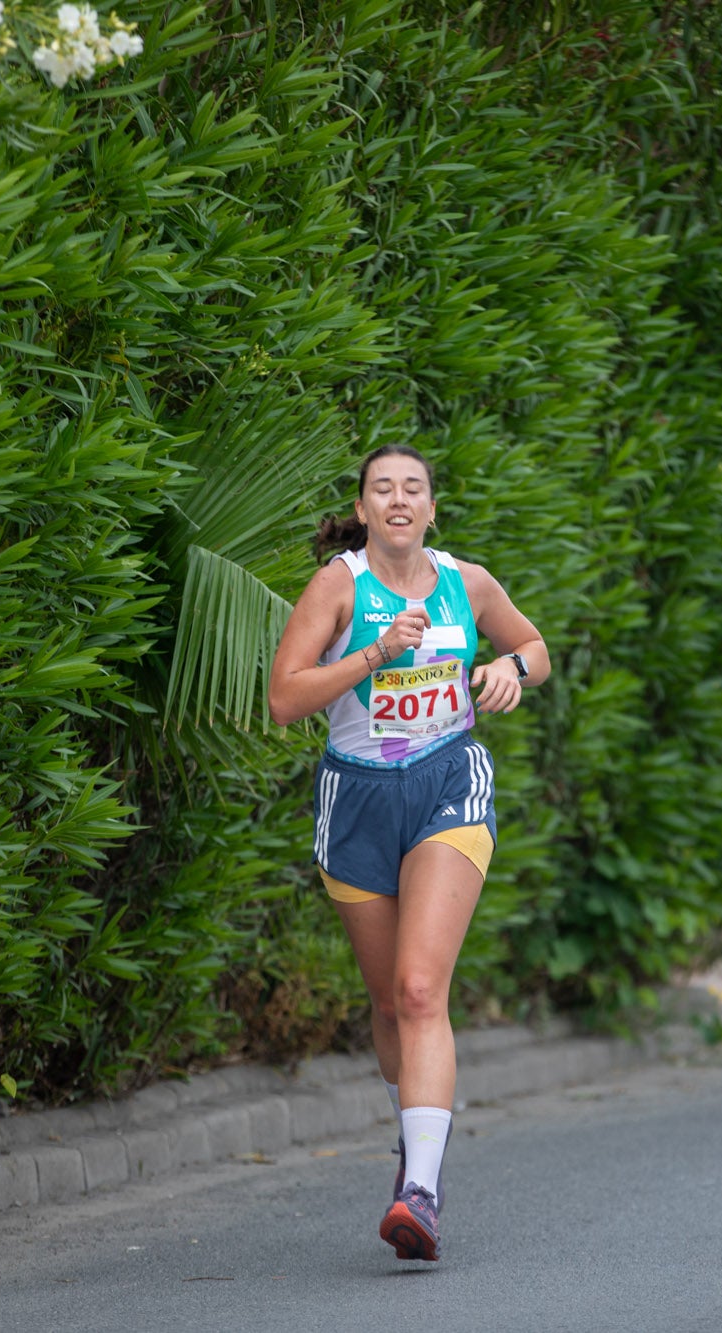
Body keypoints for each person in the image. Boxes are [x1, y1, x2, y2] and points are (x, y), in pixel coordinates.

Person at [268, 444, 548, 1262]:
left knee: (423, 987)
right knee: (389, 1002)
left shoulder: (469, 581)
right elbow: (285, 699)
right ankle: (412, 1136)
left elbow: (536, 648)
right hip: (355, 801)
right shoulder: (339, 586)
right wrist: (374, 653)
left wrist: (510, 670)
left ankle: (419, 1190)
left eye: (412, 488)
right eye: (381, 488)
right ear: (361, 509)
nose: (397, 500)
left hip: (446, 788)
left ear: (432, 507)